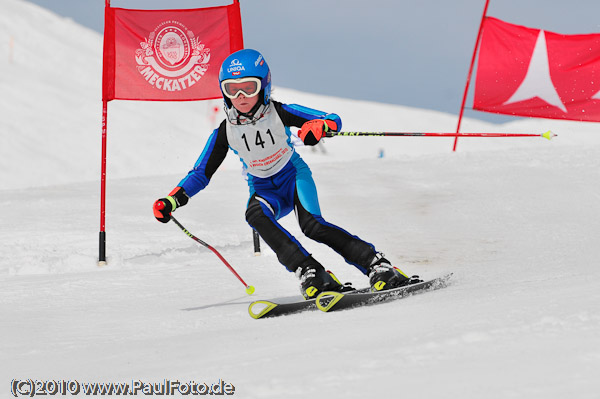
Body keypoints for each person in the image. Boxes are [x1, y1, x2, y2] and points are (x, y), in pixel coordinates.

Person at [153, 49, 419, 299]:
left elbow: (331, 119)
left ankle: (377, 264)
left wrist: (318, 127)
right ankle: (312, 272)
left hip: (293, 177)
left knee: (312, 226)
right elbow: (201, 173)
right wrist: (173, 200)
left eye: (249, 87)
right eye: (232, 90)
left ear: (264, 87)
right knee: (255, 214)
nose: (241, 96)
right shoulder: (225, 132)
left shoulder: (279, 112)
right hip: (264, 189)